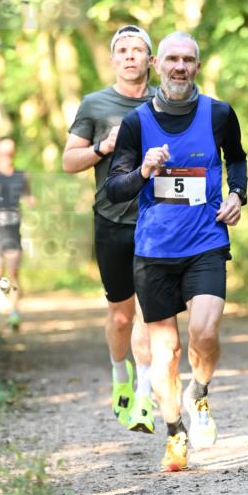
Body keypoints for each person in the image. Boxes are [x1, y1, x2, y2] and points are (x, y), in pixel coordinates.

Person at [105, 31, 248, 473]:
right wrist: (144, 170)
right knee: (164, 353)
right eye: (172, 59)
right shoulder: (135, 123)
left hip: (206, 241)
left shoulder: (219, 114)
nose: (180, 67)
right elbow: (114, 188)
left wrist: (238, 194)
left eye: (188, 59)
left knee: (204, 333)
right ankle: (174, 433)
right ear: (156, 65)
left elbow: (238, 159)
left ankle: (199, 394)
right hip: (154, 252)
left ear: (197, 67)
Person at [62, 25, 181, 434]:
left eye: (138, 50)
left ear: (152, 61)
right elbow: (69, 161)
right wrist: (103, 147)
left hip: (159, 224)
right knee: (120, 317)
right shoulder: (95, 105)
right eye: (123, 50)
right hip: (112, 220)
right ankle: (120, 376)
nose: (130, 56)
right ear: (114, 60)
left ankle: (145, 400)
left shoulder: (168, 103)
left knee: (150, 317)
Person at [0, 138, 33, 329]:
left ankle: (14, 313)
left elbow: (28, 196)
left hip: (12, 232)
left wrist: (30, 201)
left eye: (9, 153)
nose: (6, 157)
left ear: (14, 154)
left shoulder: (22, 175)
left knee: (13, 273)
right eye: (3, 153)